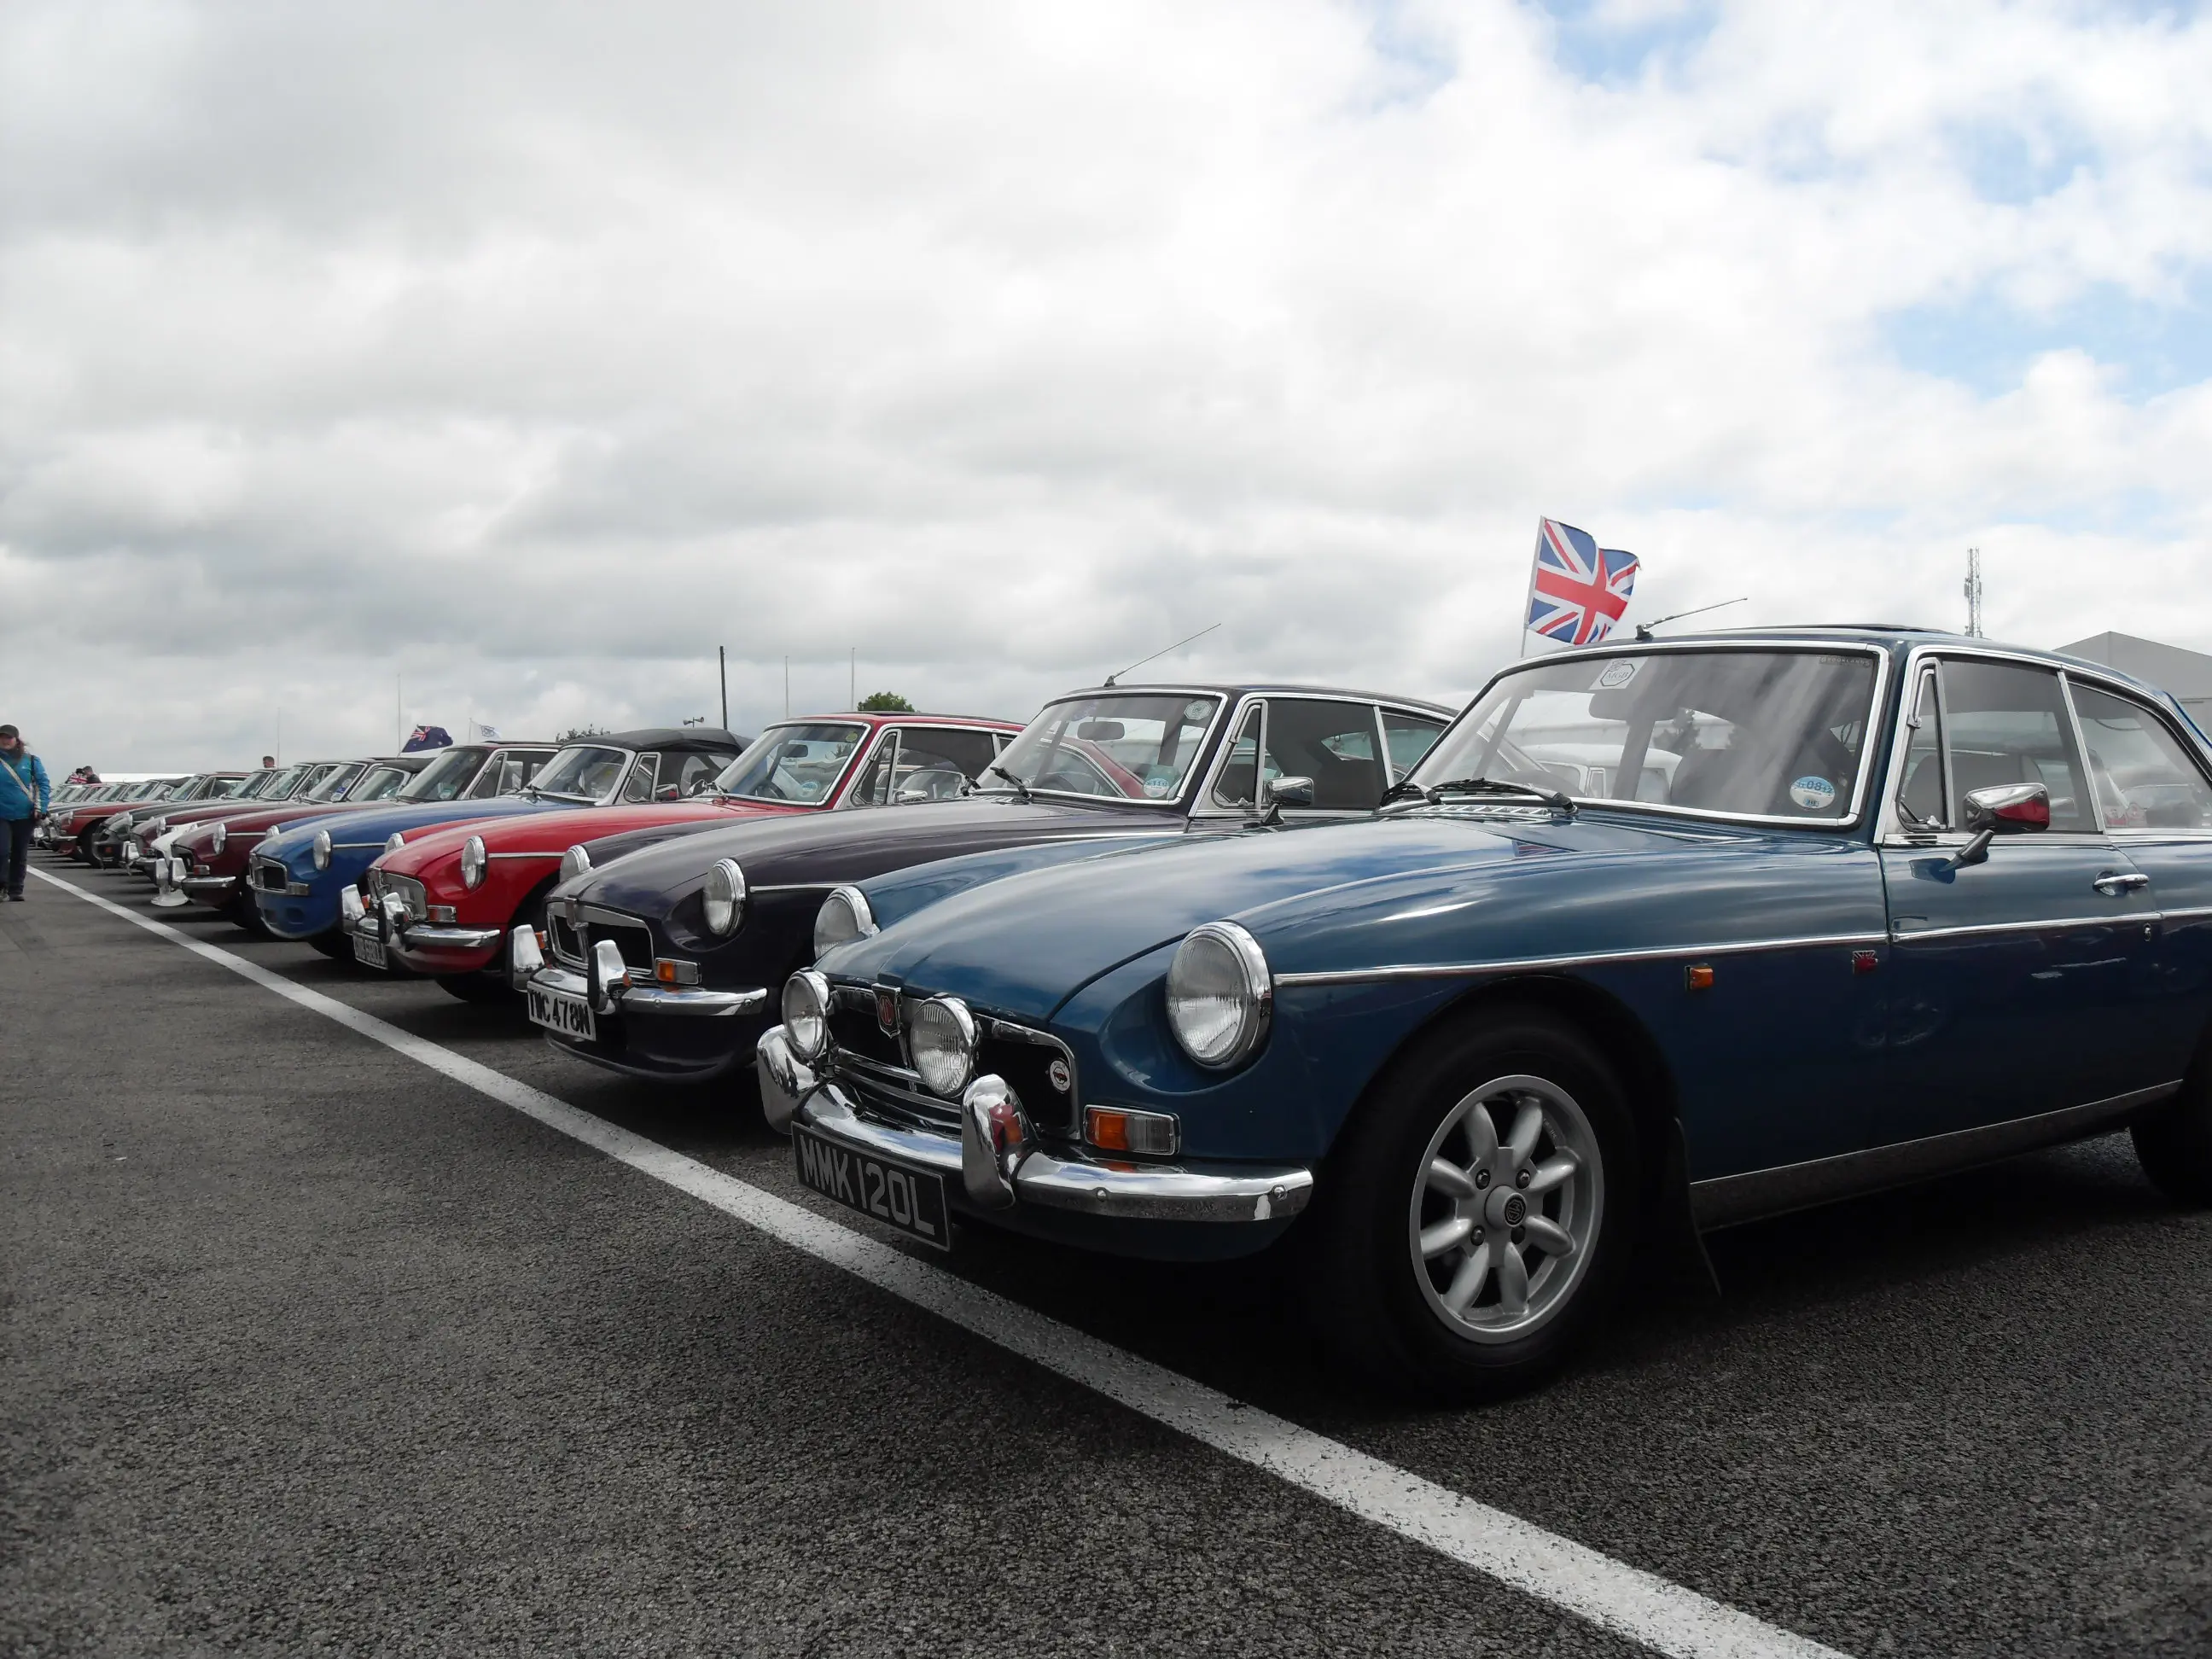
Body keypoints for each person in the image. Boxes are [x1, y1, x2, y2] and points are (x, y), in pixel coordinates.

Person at [0, 724, 51, 902]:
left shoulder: (30, 760)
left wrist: (41, 808)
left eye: (9, 738)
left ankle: (16, 889)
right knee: (2, 850)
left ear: (16, 740)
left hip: (24, 814)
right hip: (1, 815)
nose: (5, 741)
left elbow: (43, 784)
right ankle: (1, 886)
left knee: (19, 853)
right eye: (2, 737)